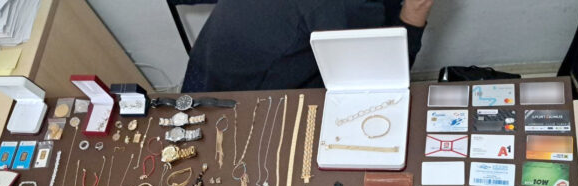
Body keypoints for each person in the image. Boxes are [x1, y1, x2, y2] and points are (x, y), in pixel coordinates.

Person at [183, 0, 434, 92]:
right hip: (234, 96)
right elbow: (383, 79)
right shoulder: (350, 7)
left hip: (212, 61)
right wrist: (415, 12)